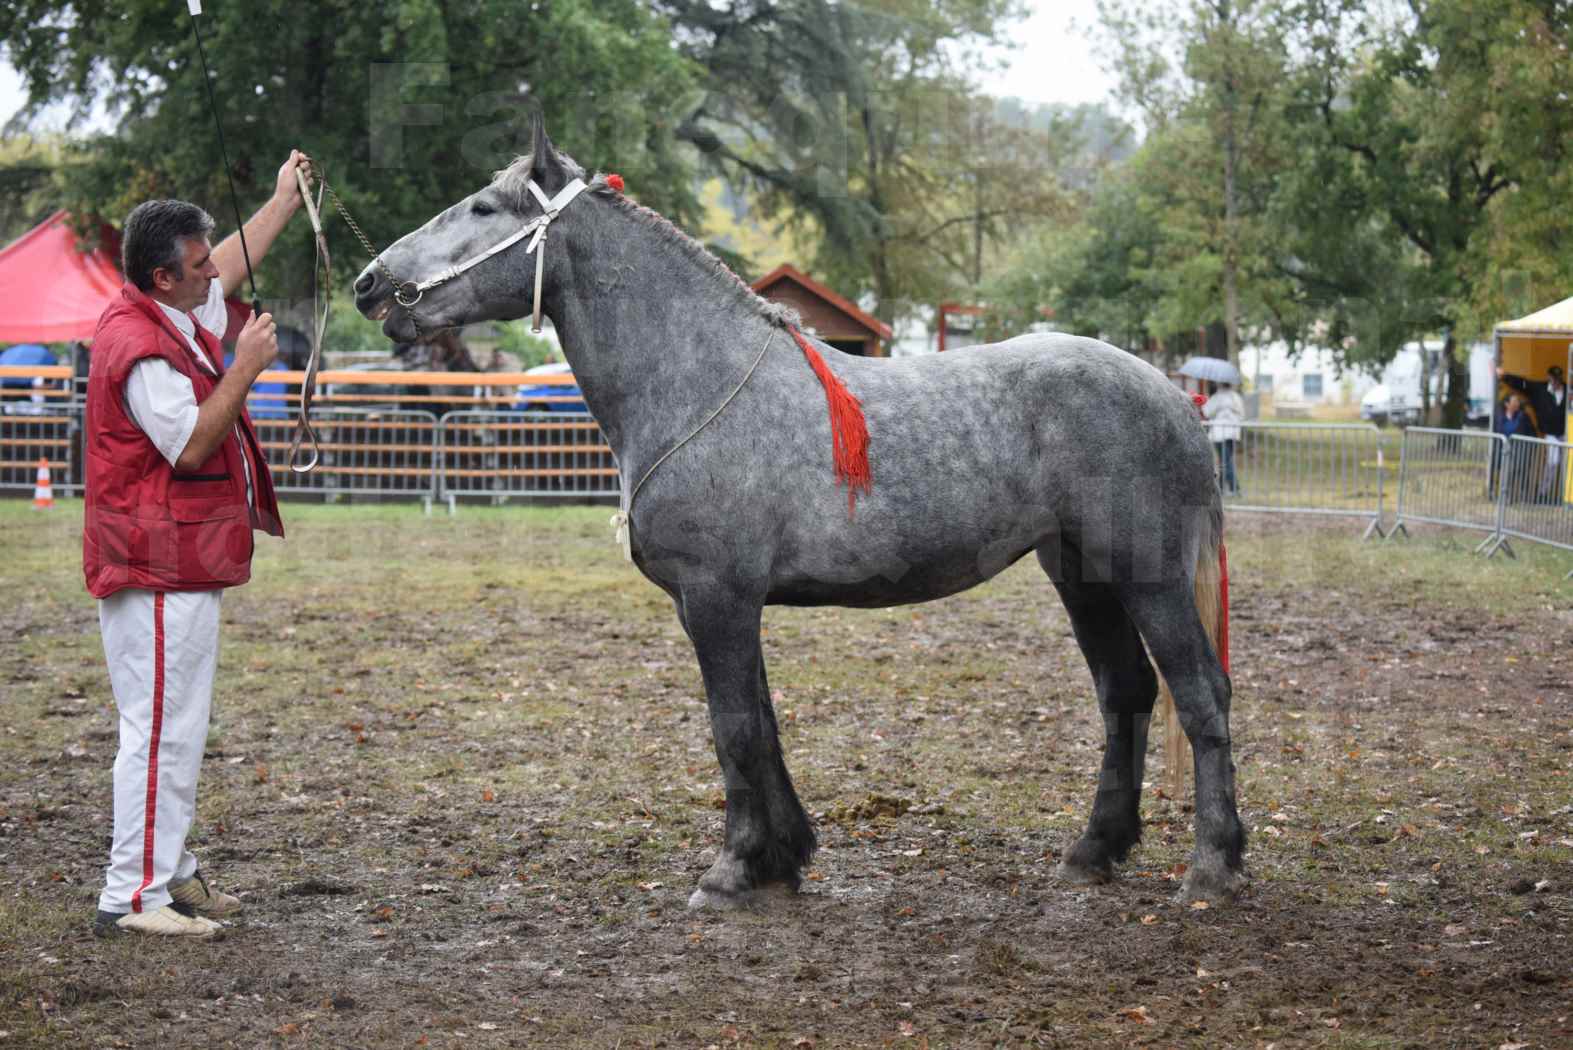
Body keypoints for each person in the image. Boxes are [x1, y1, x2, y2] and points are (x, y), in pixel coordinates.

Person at [84, 151, 311, 938]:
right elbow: (188, 446)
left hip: (173, 557)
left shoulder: (172, 310)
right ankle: (135, 895)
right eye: (198, 265)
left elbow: (231, 261)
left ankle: (168, 870)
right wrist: (243, 369)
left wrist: (283, 199)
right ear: (161, 279)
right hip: (155, 562)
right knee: (160, 729)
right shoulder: (141, 345)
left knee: (172, 723)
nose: (215, 274)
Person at [1498, 362, 1566, 502]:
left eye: (1558, 379)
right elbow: (1522, 383)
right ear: (1549, 377)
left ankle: (1566, 496)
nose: (1555, 382)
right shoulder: (1539, 389)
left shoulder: (1569, 389)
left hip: (1567, 432)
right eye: (1553, 378)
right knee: (1553, 462)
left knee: (1567, 463)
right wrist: (1504, 376)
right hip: (1550, 433)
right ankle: (1542, 492)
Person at [1202, 380, 1245, 496]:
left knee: (1225, 461)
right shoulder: (1235, 397)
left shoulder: (1217, 397)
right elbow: (1242, 415)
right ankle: (1222, 487)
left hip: (1219, 434)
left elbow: (1206, 412)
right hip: (1232, 433)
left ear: (1220, 383)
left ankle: (1234, 488)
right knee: (1226, 460)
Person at [1496, 393, 1539, 503]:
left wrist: (1530, 447)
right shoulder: (1500, 416)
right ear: (1507, 404)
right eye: (1514, 401)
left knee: (1523, 473)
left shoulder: (1523, 416)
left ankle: (1523, 497)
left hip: (1522, 449)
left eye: (1518, 401)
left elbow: (1533, 433)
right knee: (1508, 473)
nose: (1517, 403)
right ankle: (1506, 497)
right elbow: (1502, 431)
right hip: (1507, 449)